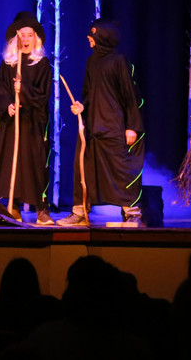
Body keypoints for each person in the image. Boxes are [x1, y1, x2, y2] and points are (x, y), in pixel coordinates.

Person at [57, 18, 146, 227]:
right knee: (84, 169)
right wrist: (82, 107)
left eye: (93, 34)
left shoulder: (119, 61)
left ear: (104, 36)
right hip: (92, 126)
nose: (89, 37)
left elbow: (130, 95)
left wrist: (132, 127)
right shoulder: (92, 61)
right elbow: (88, 93)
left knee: (121, 169)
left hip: (114, 126)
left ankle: (132, 212)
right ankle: (80, 212)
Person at [0, 11, 53, 225]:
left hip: (32, 124)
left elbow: (42, 96)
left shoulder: (42, 64)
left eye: (30, 35)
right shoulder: (8, 64)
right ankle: (12, 206)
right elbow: (0, 91)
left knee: (35, 166)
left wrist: (22, 90)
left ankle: (41, 209)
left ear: (36, 38)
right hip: (11, 125)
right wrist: (8, 104)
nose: (25, 39)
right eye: (22, 35)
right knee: (9, 163)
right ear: (16, 39)